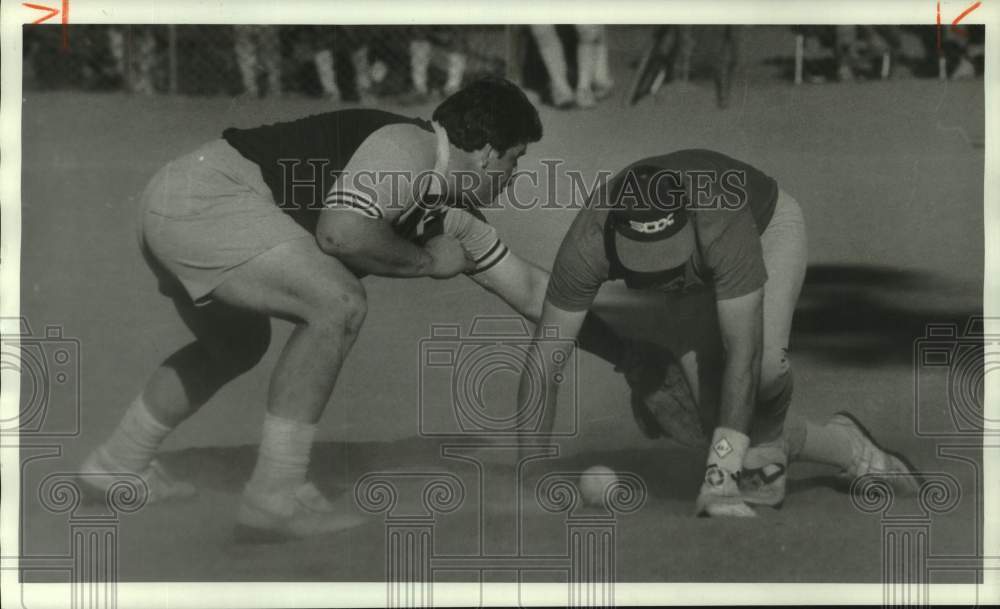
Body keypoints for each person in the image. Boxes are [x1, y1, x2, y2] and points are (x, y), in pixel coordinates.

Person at [79, 77, 667, 541]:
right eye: (514, 160)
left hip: (182, 202)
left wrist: (629, 354)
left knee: (236, 344)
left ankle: (117, 462)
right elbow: (340, 234)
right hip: (207, 198)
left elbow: (540, 296)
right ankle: (275, 495)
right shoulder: (408, 147)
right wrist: (427, 264)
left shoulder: (452, 214)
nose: (512, 176)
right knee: (336, 302)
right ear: (486, 152)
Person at [516, 150, 921, 517]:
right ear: (616, 239)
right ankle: (839, 442)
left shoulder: (720, 220)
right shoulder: (587, 243)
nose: (658, 266)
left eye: (667, 253)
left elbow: (743, 358)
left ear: (688, 222)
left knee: (763, 372)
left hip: (765, 231)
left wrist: (720, 478)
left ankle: (848, 454)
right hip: (691, 281)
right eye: (645, 260)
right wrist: (532, 480)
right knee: (708, 425)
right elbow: (543, 361)